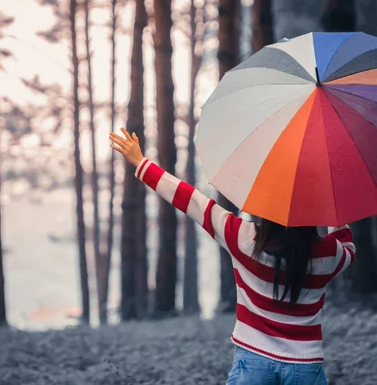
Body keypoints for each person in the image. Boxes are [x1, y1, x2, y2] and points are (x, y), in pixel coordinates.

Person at [110, 128, 356, 385]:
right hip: (306, 368)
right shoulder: (329, 255)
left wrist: (141, 163)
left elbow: (191, 200)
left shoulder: (244, 239)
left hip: (254, 365)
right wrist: (332, 201)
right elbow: (347, 245)